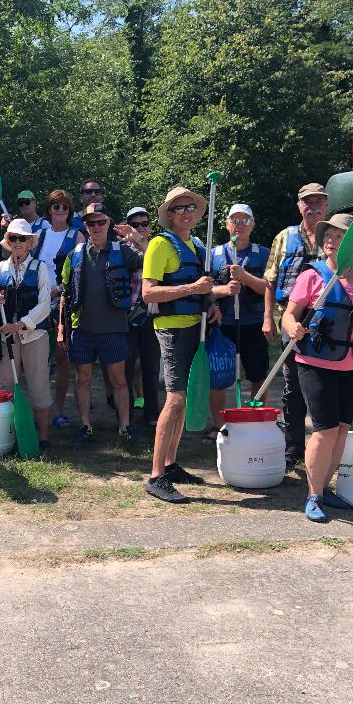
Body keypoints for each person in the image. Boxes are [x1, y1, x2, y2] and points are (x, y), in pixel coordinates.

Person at [281, 212, 353, 523]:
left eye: (338, 236)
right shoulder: (312, 276)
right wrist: (293, 327)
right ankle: (313, 495)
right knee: (324, 430)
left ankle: (325, 488)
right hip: (315, 364)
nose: (330, 240)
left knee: (340, 430)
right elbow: (289, 315)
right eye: (328, 235)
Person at [142, 187, 240, 503]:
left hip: (196, 328)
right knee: (174, 400)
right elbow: (148, 293)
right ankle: (156, 476)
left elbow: (204, 288)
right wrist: (191, 289)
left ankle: (170, 465)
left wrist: (210, 302)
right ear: (169, 214)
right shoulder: (159, 244)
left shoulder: (196, 245)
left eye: (190, 207)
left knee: (183, 400)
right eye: (179, 208)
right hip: (172, 330)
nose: (186, 213)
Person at [58, 203, 143, 440]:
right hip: (82, 329)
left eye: (101, 222)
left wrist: (137, 239)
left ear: (109, 223)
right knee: (82, 379)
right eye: (91, 222)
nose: (96, 227)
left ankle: (125, 426)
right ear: (85, 225)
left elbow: (150, 262)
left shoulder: (122, 251)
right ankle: (85, 425)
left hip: (113, 329)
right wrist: (62, 327)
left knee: (119, 380)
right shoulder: (75, 254)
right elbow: (65, 291)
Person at [263, 182, 328, 467]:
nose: (313, 206)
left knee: (324, 384)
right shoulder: (283, 237)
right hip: (291, 319)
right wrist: (268, 317)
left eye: (318, 201)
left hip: (327, 322)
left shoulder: (335, 236)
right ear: (299, 206)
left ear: (326, 204)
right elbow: (270, 280)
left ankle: (325, 442)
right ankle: (293, 446)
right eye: (307, 202)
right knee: (293, 385)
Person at [0, 218, 54, 446]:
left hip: (34, 335)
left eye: (22, 238)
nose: (17, 242)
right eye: (13, 238)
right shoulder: (0, 269)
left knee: (38, 383)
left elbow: (44, 305)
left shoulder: (40, 268)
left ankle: (43, 436)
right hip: (7, 336)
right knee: (6, 384)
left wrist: (20, 324)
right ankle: (10, 433)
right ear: (8, 241)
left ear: (29, 242)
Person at [209, 203, 271, 434]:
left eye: (245, 221)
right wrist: (224, 290)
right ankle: (219, 426)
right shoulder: (213, 255)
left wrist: (245, 277)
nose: (239, 225)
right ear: (227, 224)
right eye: (234, 220)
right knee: (218, 378)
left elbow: (270, 290)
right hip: (222, 326)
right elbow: (204, 290)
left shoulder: (263, 254)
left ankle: (257, 424)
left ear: (252, 225)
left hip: (253, 325)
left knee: (258, 376)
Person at [31, 189, 85, 428]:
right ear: (49, 209)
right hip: (37, 303)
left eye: (65, 207)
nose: (60, 210)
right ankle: (38, 408)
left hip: (63, 303)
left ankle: (58, 410)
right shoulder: (38, 235)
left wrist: (58, 290)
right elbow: (18, 257)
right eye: (56, 206)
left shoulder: (77, 236)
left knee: (62, 358)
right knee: (37, 358)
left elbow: (80, 272)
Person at [115, 206, 159, 426]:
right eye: (135, 224)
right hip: (127, 315)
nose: (140, 228)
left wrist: (140, 241)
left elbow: (154, 261)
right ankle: (127, 413)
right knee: (127, 366)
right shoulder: (121, 250)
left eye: (144, 223)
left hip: (152, 315)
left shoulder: (156, 246)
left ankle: (151, 413)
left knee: (151, 367)